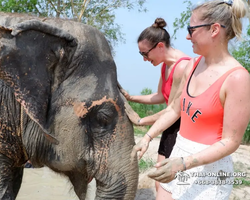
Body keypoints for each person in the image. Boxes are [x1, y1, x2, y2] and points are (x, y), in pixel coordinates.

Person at [130, 0, 250, 199]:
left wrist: (185, 163)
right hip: (177, 156)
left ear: (214, 30)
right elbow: (174, 109)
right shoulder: (192, 65)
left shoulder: (237, 78)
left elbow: (231, 141)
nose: (187, 36)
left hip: (208, 172)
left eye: (191, 29)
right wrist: (147, 138)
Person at [121, 18, 191, 191]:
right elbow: (160, 96)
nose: (144, 59)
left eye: (145, 53)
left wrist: (141, 121)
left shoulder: (182, 67)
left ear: (160, 46)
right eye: (141, 54)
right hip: (169, 125)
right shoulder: (165, 65)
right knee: (160, 181)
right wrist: (131, 98)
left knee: (167, 183)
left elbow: (173, 110)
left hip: (182, 127)